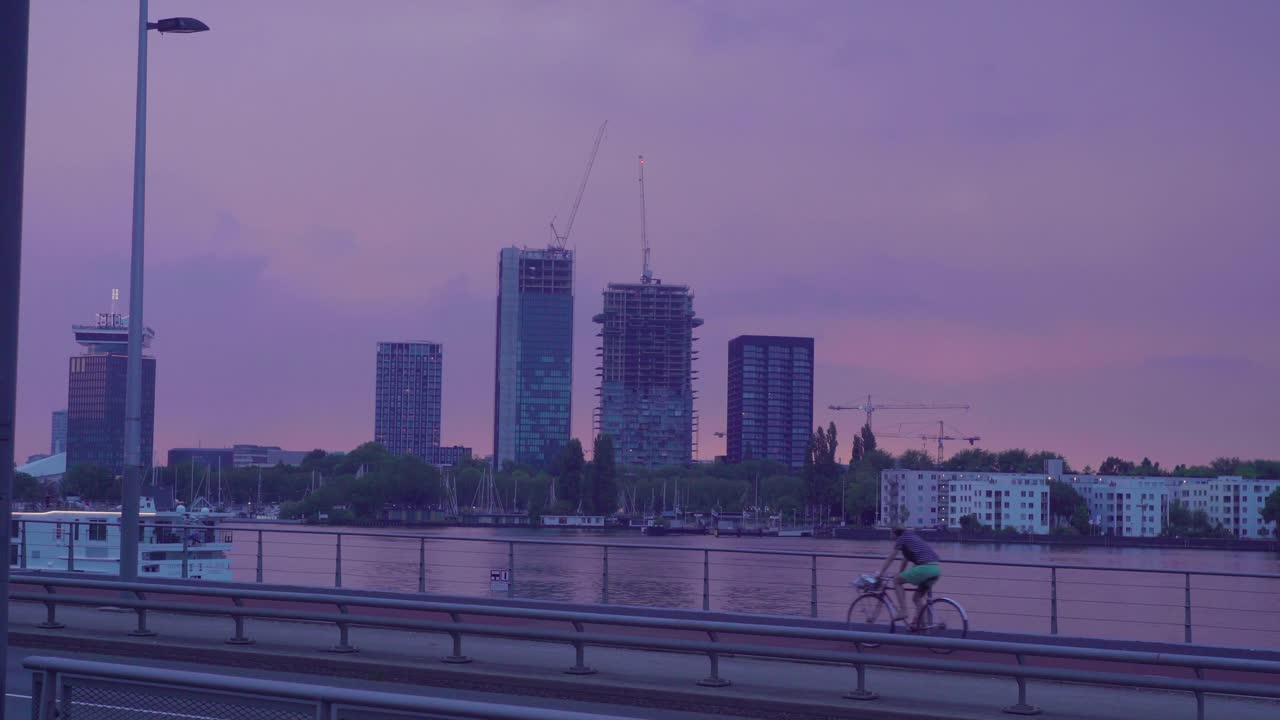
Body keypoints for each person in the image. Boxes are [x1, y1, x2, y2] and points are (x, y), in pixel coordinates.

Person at [877, 525, 942, 627]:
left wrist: (880, 574)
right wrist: (900, 574)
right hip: (936, 569)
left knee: (896, 581)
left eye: (890, 532)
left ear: (895, 533)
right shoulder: (911, 537)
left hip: (925, 568)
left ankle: (903, 611)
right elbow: (905, 561)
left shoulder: (901, 539)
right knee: (917, 598)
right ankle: (923, 628)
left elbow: (890, 558)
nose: (890, 535)